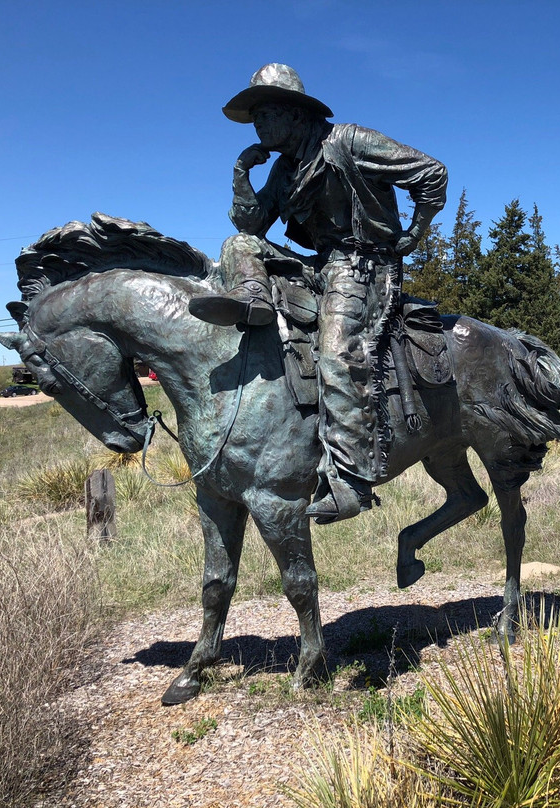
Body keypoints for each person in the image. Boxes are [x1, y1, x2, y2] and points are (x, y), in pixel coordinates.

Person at [189, 64, 448, 523]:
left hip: (364, 263)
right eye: (255, 119)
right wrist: (240, 173)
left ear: (294, 114)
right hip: (320, 264)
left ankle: (351, 479)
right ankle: (253, 298)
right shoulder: (286, 168)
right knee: (237, 245)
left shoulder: (349, 143)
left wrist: (414, 233)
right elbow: (251, 225)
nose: (259, 126)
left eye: (266, 115)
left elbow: (431, 173)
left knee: (335, 353)